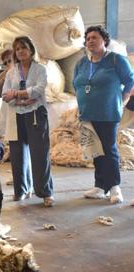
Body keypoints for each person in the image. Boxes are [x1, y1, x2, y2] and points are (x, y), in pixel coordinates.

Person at [73, 25, 134, 204]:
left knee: (109, 149)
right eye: (88, 38)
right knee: (94, 150)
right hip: (87, 113)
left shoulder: (116, 60)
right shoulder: (81, 63)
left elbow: (130, 80)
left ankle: (114, 187)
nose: (90, 40)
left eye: (95, 37)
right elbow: (76, 84)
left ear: (104, 40)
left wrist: (123, 98)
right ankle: (100, 186)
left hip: (108, 113)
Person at [2, 36, 54, 207]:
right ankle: (21, 190)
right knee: (17, 154)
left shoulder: (40, 69)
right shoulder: (11, 72)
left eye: (24, 47)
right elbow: (5, 95)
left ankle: (45, 192)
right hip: (16, 114)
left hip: (36, 114)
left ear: (31, 50)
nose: (21, 51)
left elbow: (39, 89)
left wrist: (16, 94)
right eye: (17, 49)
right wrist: (22, 98)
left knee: (39, 154)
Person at [0, 49, 33, 192]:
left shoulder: (26, 72)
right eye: (5, 63)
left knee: (27, 148)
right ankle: (20, 179)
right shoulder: (6, 75)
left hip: (26, 113)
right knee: (16, 149)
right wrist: (3, 79)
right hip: (11, 114)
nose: (8, 64)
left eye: (10, 61)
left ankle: (28, 181)